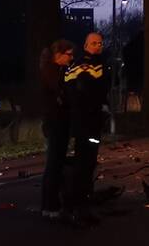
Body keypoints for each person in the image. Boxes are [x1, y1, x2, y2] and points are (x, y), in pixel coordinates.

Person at [64, 32, 110, 226]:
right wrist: (96, 110)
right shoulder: (86, 65)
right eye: (93, 43)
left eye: (100, 43)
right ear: (85, 45)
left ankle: (80, 205)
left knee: (87, 164)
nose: (97, 46)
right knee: (84, 164)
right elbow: (84, 93)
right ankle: (78, 208)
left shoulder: (93, 63)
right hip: (87, 122)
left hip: (90, 121)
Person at [40, 39, 75, 222]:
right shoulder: (53, 73)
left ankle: (51, 203)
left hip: (57, 121)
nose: (71, 58)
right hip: (55, 122)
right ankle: (50, 204)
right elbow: (61, 94)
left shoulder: (55, 71)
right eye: (68, 54)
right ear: (58, 55)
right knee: (54, 164)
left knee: (56, 163)